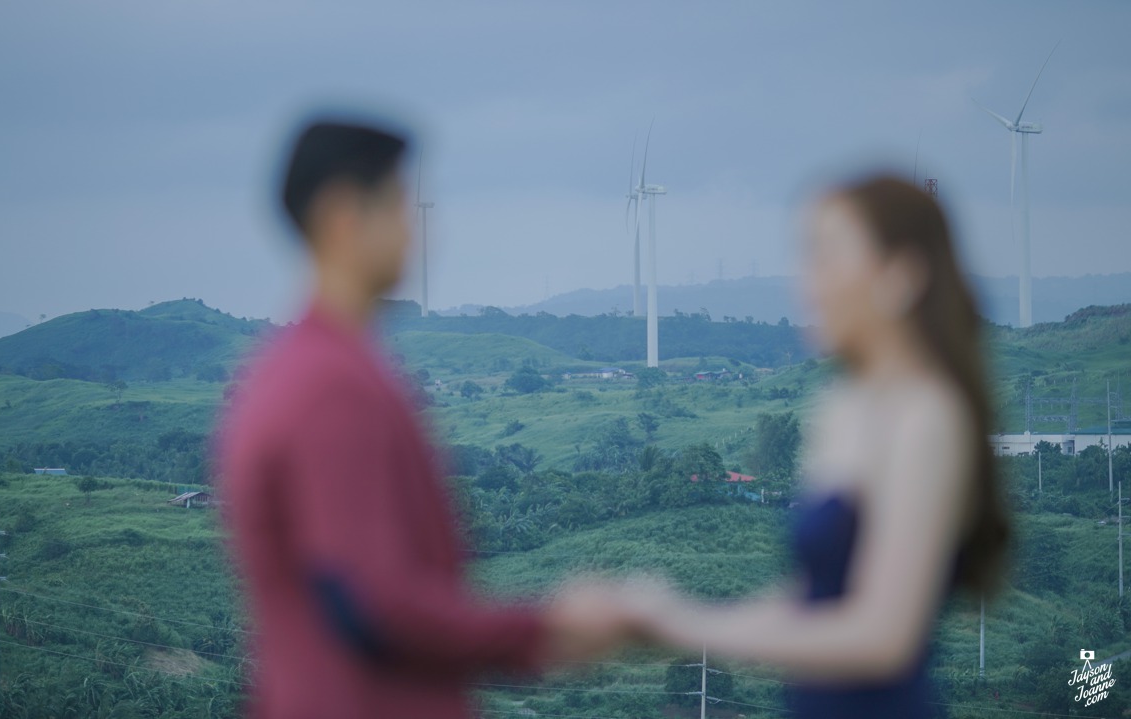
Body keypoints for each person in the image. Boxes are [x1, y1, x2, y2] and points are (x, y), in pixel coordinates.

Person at [214, 115, 631, 719]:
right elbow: (378, 600)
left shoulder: (289, 369)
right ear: (343, 216)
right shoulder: (331, 382)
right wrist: (549, 626)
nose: (418, 234)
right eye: (401, 207)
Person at [618, 173, 1013, 718]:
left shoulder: (928, 416)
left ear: (901, 274)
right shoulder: (841, 407)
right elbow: (807, 602)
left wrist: (687, 625)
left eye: (827, 258)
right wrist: (675, 619)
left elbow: (883, 637)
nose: (809, 284)